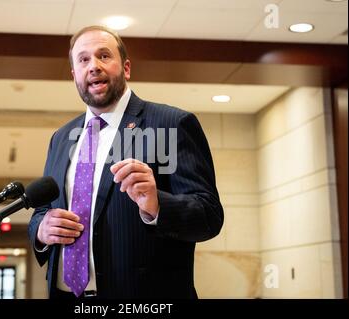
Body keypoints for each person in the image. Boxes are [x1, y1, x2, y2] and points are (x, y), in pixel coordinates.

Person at [28, 25, 224, 299]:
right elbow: (41, 212)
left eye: (104, 56)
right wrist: (41, 229)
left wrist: (156, 205)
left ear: (126, 68)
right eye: (83, 60)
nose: (93, 66)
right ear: (74, 75)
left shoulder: (171, 124)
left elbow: (209, 215)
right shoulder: (61, 138)